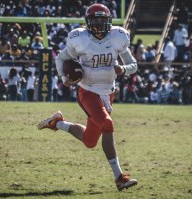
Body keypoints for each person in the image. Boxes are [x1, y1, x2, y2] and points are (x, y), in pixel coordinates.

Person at [37, 4, 138, 191]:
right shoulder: (80, 38)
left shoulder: (119, 36)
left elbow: (133, 65)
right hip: (88, 91)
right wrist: (64, 78)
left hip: (108, 92)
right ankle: (119, 178)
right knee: (107, 124)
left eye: (102, 19)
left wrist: (123, 68)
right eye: (95, 19)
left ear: (108, 21)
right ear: (88, 22)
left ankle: (57, 123)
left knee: (89, 141)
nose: (99, 23)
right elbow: (60, 58)